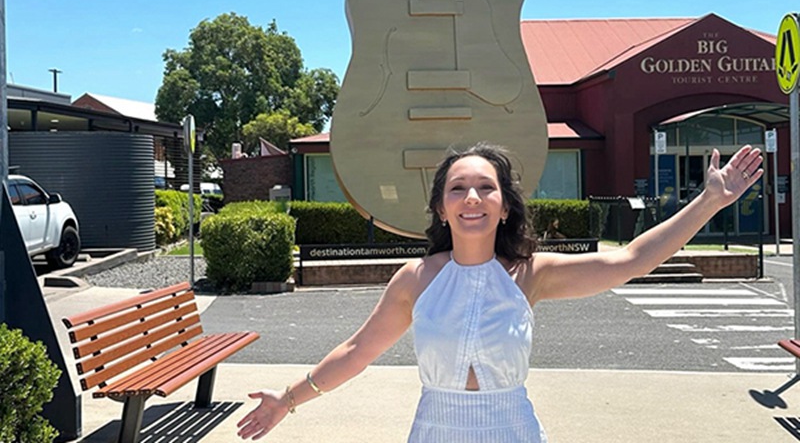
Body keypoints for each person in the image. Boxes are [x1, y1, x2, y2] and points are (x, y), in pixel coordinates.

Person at [237, 141, 763, 442]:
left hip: (512, 430)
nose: (472, 197)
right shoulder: (416, 280)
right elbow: (356, 352)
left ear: (504, 206)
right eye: (457, 188)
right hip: (435, 432)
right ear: (442, 208)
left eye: (486, 187)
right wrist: (288, 399)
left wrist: (710, 201)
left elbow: (630, 260)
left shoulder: (531, 274)